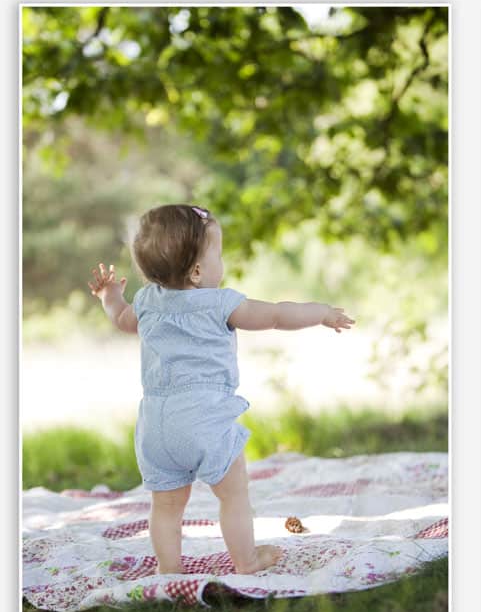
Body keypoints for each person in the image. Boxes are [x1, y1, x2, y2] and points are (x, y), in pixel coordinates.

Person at [88, 203, 355, 575]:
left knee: (165, 506)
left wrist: (108, 296)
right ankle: (246, 561)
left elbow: (120, 317)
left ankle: (170, 568)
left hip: (156, 425)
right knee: (233, 494)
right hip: (205, 419)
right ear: (197, 271)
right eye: (218, 253)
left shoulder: (147, 302)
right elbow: (277, 315)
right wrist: (321, 313)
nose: (221, 261)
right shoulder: (219, 303)